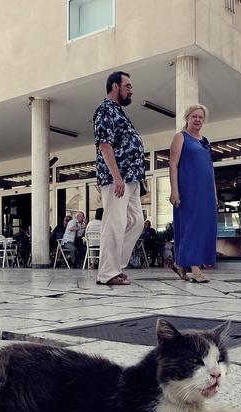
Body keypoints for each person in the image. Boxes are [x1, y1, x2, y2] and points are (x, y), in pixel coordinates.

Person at [93, 71, 145, 285]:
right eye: (128, 86)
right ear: (115, 86)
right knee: (114, 224)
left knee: (136, 221)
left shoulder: (119, 112)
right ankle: (107, 273)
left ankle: (116, 267)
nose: (131, 90)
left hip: (131, 179)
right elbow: (105, 145)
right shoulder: (105, 110)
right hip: (117, 178)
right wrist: (116, 177)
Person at [168, 104, 217, 283]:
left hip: (205, 192)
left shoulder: (205, 140)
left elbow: (210, 168)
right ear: (187, 118)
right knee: (191, 227)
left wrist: (214, 192)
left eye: (201, 117)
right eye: (194, 116)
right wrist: (174, 190)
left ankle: (180, 264)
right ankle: (195, 269)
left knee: (204, 227)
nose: (197, 120)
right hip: (188, 190)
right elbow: (173, 165)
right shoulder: (180, 137)